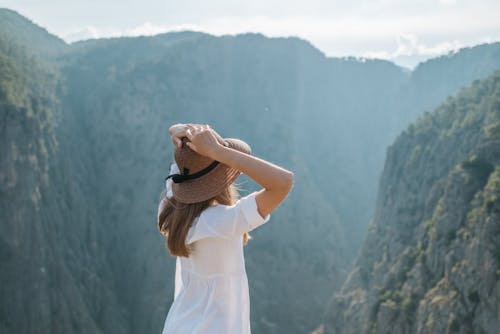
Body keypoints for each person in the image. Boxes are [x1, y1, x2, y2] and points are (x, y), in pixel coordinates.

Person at [157, 123, 294, 334]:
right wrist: (219, 152)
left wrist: (179, 132)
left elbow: (178, 147)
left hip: (179, 325)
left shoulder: (170, 208)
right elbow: (283, 182)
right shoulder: (223, 222)